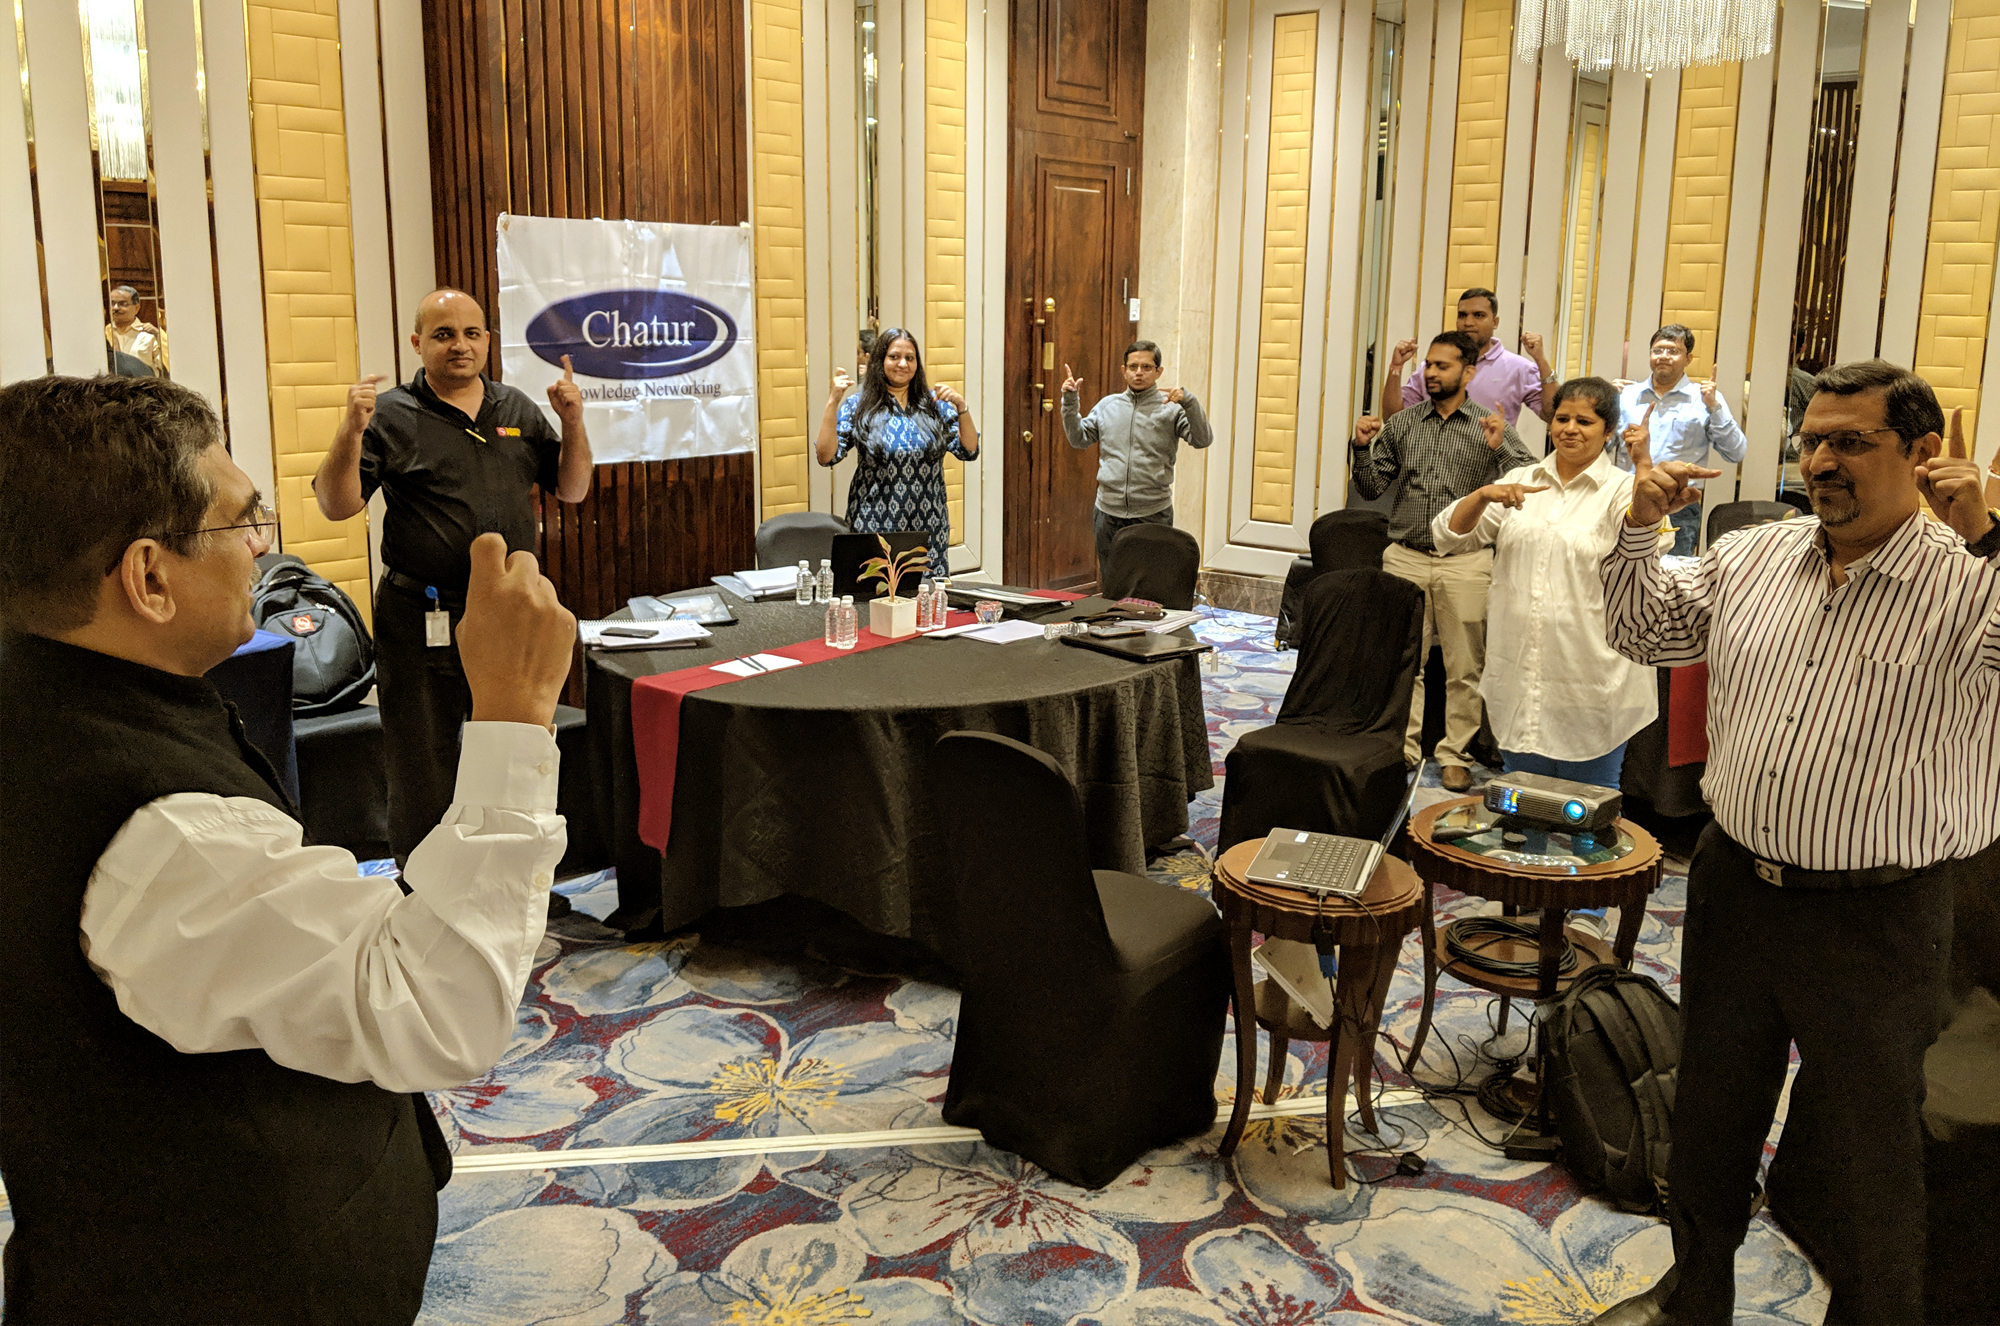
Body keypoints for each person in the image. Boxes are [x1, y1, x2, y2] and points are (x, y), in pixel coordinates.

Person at [0, 374, 577, 1320]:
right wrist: (516, 713)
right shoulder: (161, 833)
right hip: (238, 1277)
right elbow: (437, 1008)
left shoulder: (50, 695)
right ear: (149, 577)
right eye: (242, 521)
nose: (263, 546)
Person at [1591, 360, 2000, 1326]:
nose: (1821, 461)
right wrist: (1639, 528)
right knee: (1713, 1109)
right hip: (1738, 886)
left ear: (1923, 454)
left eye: (1851, 442)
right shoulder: (1754, 554)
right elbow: (1645, 630)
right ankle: (1696, 1294)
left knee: (1869, 1145)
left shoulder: (1970, 581)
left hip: (1881, 914)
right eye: (1812, 441)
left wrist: (1989, 537)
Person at [315, 287, 592, 869]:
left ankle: (512, 877)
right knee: (424, 764)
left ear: (487, 341)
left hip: (509, 617)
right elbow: (337, 505)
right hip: (421, 617)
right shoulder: (390, 414)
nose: (459, 345)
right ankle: (424, 889)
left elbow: (571, 489)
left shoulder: (515, 409)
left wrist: (573, 423)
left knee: (514, 750)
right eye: (443, 335)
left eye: (471, 334)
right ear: (418, 344)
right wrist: (350, 430)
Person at [1431, 378, 1667, 790]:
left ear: (1608, 431)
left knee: (1586, 812)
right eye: (1562, 418)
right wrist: (1483, 495)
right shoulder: (1522, 480)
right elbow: (1447, 536)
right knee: (1522, 805)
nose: (1570, 429)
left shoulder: (1619, 489)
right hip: (1520, 674)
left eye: (1585, 421)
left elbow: (1648, 540)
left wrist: (1643, 466)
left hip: (1591, 677)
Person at [1351, 330, 1535, 792]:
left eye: (1442, 366)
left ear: (1468, 372)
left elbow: (1529, 480)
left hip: (1466, 562)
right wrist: (1360, 447)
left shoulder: (1489, 424)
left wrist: (1500, 447)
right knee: (1402, 661)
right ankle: (1404, 747)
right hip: (1406, 557)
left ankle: (1456, 754)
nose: (1430, 373)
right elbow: (1371, 488)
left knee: (1464, 666)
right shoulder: (1404, 424)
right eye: (1428, 365)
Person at [814, 326, 979, 568]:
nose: (902, 364)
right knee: (875, 588)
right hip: (874, 525)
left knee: (927, 590)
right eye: (894, 357)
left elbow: (969, 450)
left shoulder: (934, 405)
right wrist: (833, 401)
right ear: (880, 360)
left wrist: (961, 407)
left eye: (909, 358)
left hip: (928, 527)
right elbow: (826, 456)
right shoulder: (859, 405)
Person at [1059, 339, 1213, 582]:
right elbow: (1078, 439)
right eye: (1133, 367)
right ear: (1124, 370)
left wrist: (1189, 402)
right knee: (1113, 585)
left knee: (1151, 585)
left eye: (1146, 367)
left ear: (1159, 371)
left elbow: (1202, 439)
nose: (1139, 372)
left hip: (1153, 513)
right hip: (1108, 513)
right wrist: (1070, 401)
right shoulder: (1108, 406)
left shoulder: (1171, 409)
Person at [1609, 325, 1747, 556]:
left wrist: (1714, 407)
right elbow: (1603, 446)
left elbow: (1736, 452)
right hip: (1626, 497)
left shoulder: (1703, 398)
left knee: (1670, 572)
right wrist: (1603, 404)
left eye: (1673, 351)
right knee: (1619, 566)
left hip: (1678, 506)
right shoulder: (1626, 396)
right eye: (1657, 350)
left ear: (1688, 358)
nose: (1663, 356)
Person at [1383, 287, 1556, 426]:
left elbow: (1552, 415)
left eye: (1479, 315)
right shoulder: (1433, 368)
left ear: (1495, 322)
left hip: (1491, 457)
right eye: (1462, 315)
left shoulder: (1517, 367)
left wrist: (1541, 360)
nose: (1468, 322)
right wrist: (1395, 367)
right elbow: (1393, 419)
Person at [104, 284, 169, 375]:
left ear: (137, 308)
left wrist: (158, 336)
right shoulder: (103, 333)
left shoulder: (151, 334)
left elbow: (169, 366)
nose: (115, 308)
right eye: (112, 304)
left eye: (123, 304)